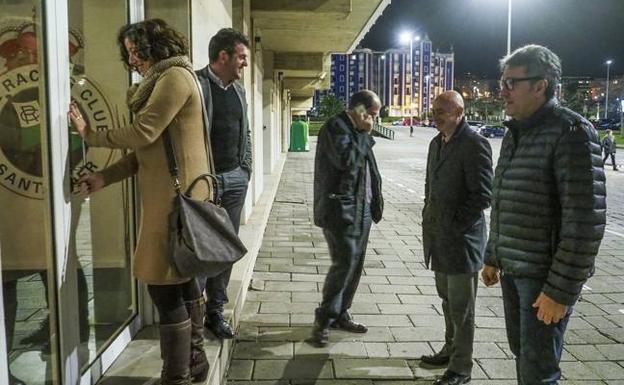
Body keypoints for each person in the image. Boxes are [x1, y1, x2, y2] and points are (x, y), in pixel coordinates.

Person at [69, 19, 211, 385]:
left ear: (158, 46)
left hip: (174, 205)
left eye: (138, 50)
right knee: (180, 281)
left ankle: (176, 374)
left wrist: (91, 135)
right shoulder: (164, 81)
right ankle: (194, 363)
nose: (133, 59)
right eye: (128, 52)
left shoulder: (174, 78)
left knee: (163, 287)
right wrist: (104, 177)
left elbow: (142, 132)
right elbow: (146, 153)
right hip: (173, 201)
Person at [481, 45, 606, 384]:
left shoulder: (572, 133)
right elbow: (504, 199)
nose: (502, 91)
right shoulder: (515, 133)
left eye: (511, 83)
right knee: (524, 355)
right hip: (513, 270)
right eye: (502, 82)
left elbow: (585, 224)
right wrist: (494, 255)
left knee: (539, 370)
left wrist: (560, 292)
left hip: (544, 279)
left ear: (541, 85)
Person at [420, 91, 493, 385]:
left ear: (459, 112)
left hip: (462, 242)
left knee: (463, 309)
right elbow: (431, 186)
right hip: (438, 238)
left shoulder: (475, 144)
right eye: (434, 111)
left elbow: (483, 195)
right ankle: (450, 349)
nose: (435, 116)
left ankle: (461, 368)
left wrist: (454, 223)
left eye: (441, 112)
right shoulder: (436, 143)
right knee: (447, 301)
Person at [310, 90, 384, 347]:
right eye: (373, 114)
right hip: (339, 210)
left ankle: (341, 312)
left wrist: (375, 200)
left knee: (354, 265)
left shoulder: (356, 129)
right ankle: (324, 320)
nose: (376, 120)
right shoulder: (335, 128)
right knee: (344, 264)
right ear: (361, 111)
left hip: (361, 207)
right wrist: (364, 134)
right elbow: (347, 161)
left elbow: (368, 168)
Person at [195, 28, 252, 339]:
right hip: (205, 181)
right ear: (223, 56)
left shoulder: (238, 91)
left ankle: (215, 311)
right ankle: (192, 311)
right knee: (203, 247)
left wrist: (246, 170)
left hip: (234, 179)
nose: (244, 64)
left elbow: (246, 132)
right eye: (241, 57)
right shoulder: (197, 85)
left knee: (226, 247)